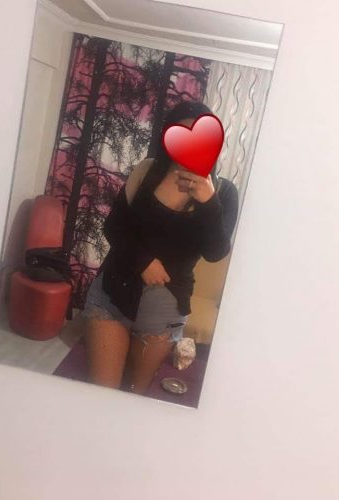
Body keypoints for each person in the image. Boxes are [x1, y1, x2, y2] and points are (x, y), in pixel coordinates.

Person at [82, 101, 239, 394]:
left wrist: (208, 202)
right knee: (101, 392)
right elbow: (113, 226)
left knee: (135, 392)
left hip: (163, 309)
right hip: (112, 294)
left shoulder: (224, 193)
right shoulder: (147, 170)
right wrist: (143, 260)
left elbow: (215, 252)